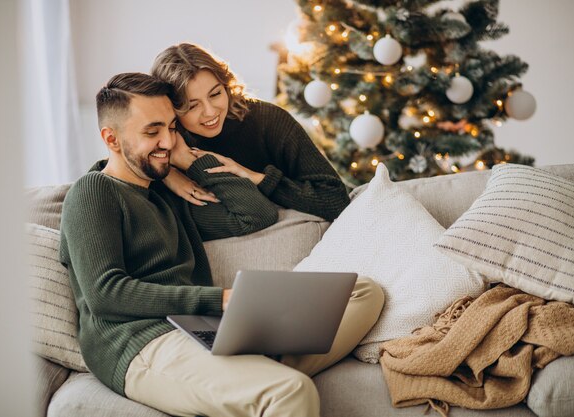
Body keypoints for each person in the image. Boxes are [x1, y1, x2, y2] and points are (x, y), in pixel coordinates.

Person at [60, 72, 385, 417]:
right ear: (111, 139)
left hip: (202, 328)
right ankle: (265, 386)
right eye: (152, 131)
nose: (168, 142)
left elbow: (254, 215)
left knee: (363, 292)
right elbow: (105, 293)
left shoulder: (170, 195)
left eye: (172, 128)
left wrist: (190, 162)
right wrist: (223, 299)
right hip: (140, 342)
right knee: (291, 391)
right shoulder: (93, 191)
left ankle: (256, 379)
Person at [151, 42, 351, 222]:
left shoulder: (269, 120)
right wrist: (167, 174)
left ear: (226, 85)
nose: (211, 112)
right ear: (171, 109)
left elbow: (336, 200)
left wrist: (256, 178)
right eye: (192, 106)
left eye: (216, 94)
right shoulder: (166, 141)